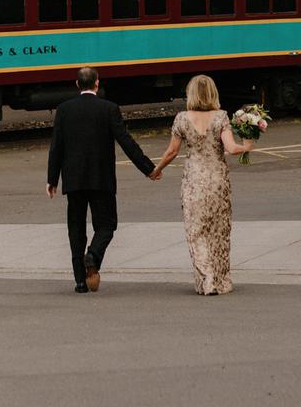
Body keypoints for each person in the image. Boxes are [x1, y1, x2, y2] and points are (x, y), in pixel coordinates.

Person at [46, 66, 160, 293]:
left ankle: (80, 281)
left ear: (77, 84)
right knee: (107, 225)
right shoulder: (109, 109)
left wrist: (52, 179)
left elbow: (56, 146)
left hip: (74, 180)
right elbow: (126, 142)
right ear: (97, 83)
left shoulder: (64, 110)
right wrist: (148, 168)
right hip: (101, 178)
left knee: (76, 228)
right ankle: (93, 254)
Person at [149, 74, 252, 295]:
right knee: (219, 231)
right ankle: (221, 281)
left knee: (196, 231)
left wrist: (157, 169)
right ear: (213, 93)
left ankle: (207, 279)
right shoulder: (221, 117)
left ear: (191, 94)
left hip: (193, 182)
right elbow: (231, 148)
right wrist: (247, 145)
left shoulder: (181, 119)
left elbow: (172, 151)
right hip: (217, 181)